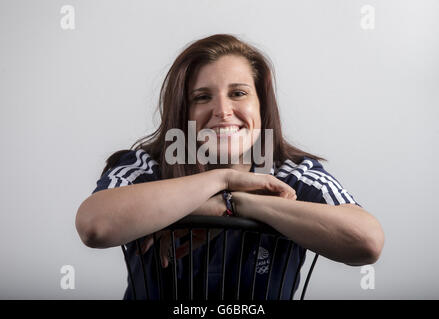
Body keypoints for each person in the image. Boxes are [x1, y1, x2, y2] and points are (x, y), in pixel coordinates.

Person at [75, 34, 385, 300]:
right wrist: (223, 178)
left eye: (238, 93)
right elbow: (95, 226)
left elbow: (366, 242)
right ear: (183, 111)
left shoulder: (294, 173)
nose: (222, 111)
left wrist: (234, 202)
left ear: (261, 104)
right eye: (202, 97)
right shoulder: (147, 167)